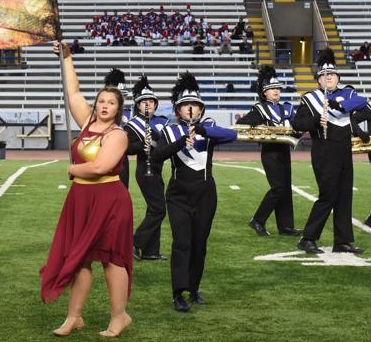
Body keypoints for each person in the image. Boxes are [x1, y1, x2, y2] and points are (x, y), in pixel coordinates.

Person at [41, 41, 133, 338]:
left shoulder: (117, 134)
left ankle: (119, 317)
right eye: (101, 101)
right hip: (81, 199)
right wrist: (66, 57)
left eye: (111, 103)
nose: (104, 105)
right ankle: (74, 317)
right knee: (78, 258)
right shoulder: (86, 123)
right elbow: (73, 91)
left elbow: (98, 167)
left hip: (109, 200)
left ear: (119, 109)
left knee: (112, 259)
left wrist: (72, 169)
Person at [151, 72, 236, 312]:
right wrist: (180, 142)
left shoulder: (208, 130)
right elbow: (156, 157)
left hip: (206, 194)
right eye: (186, 106)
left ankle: (193, 288)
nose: (190, 109)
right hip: (178, 194)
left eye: (195, 105)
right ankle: (178, 293)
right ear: (178, 111)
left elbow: (233, 135)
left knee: (200, 244)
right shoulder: (168, 131)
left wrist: (202, 131)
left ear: (200, 109)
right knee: (182, 242)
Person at [292, 49, 367, 254]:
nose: (329, 78)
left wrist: (336, 104)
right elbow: (297, 123)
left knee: (344, 196)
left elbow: (362, 102)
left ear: (338, 78)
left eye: (332, 75)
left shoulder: (347, 94)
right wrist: (316, 120)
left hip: (344, 150)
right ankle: (308, 238)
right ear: (319, 81)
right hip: (324, 150)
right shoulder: (310, 98)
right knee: (328, 195)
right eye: (324, 76)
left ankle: (342, 241)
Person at [236, 66, 302, 237]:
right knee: (278, 187)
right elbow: (244, 123)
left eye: (278, 88)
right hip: (270, 152)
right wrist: (258, 126)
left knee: (286, 188)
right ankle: (258, 220)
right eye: (272, 89)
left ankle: (286, 227)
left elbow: (297, 126)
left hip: (284, 150)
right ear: (264, 93)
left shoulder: (286, 108)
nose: (276, 91)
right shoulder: (259, 109)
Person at [125, 75, 169, 260]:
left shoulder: (161, 121)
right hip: (145, 169)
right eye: (144, 101)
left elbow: (164, 140)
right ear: (138, 105)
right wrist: (141, 144)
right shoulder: (132, 125)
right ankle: (135, 243)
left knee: (154, 209)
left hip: (157, 169)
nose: (149, 104)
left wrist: (156, 138)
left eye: (152, 101)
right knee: (159, 209)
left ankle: (151, 251)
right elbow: (126, 147)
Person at [104, 69, 130, 188]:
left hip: (122, 159)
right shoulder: (99, 115)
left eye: (123, 96)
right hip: (104, 157)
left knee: (122, 191)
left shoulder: (129, 114)